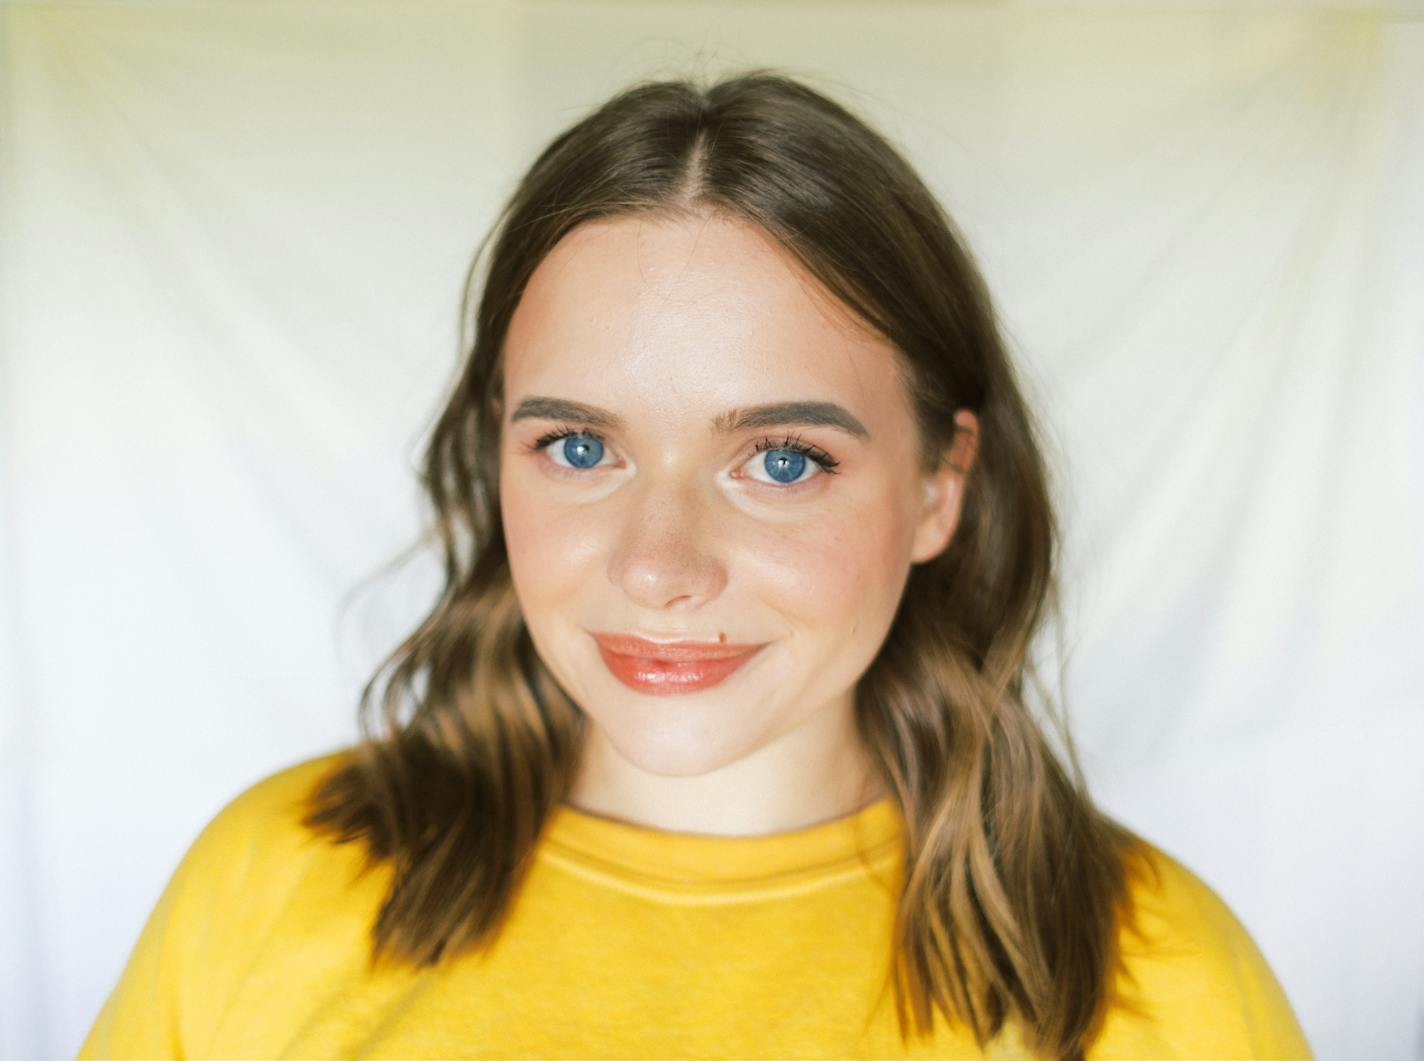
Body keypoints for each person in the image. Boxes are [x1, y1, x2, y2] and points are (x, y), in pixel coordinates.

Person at [79, 69, 1312, 1061]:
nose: (659, 568)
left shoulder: (1160, 980)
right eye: (577, 444)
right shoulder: (268, 882)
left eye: (779, 459)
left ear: (941, 484)